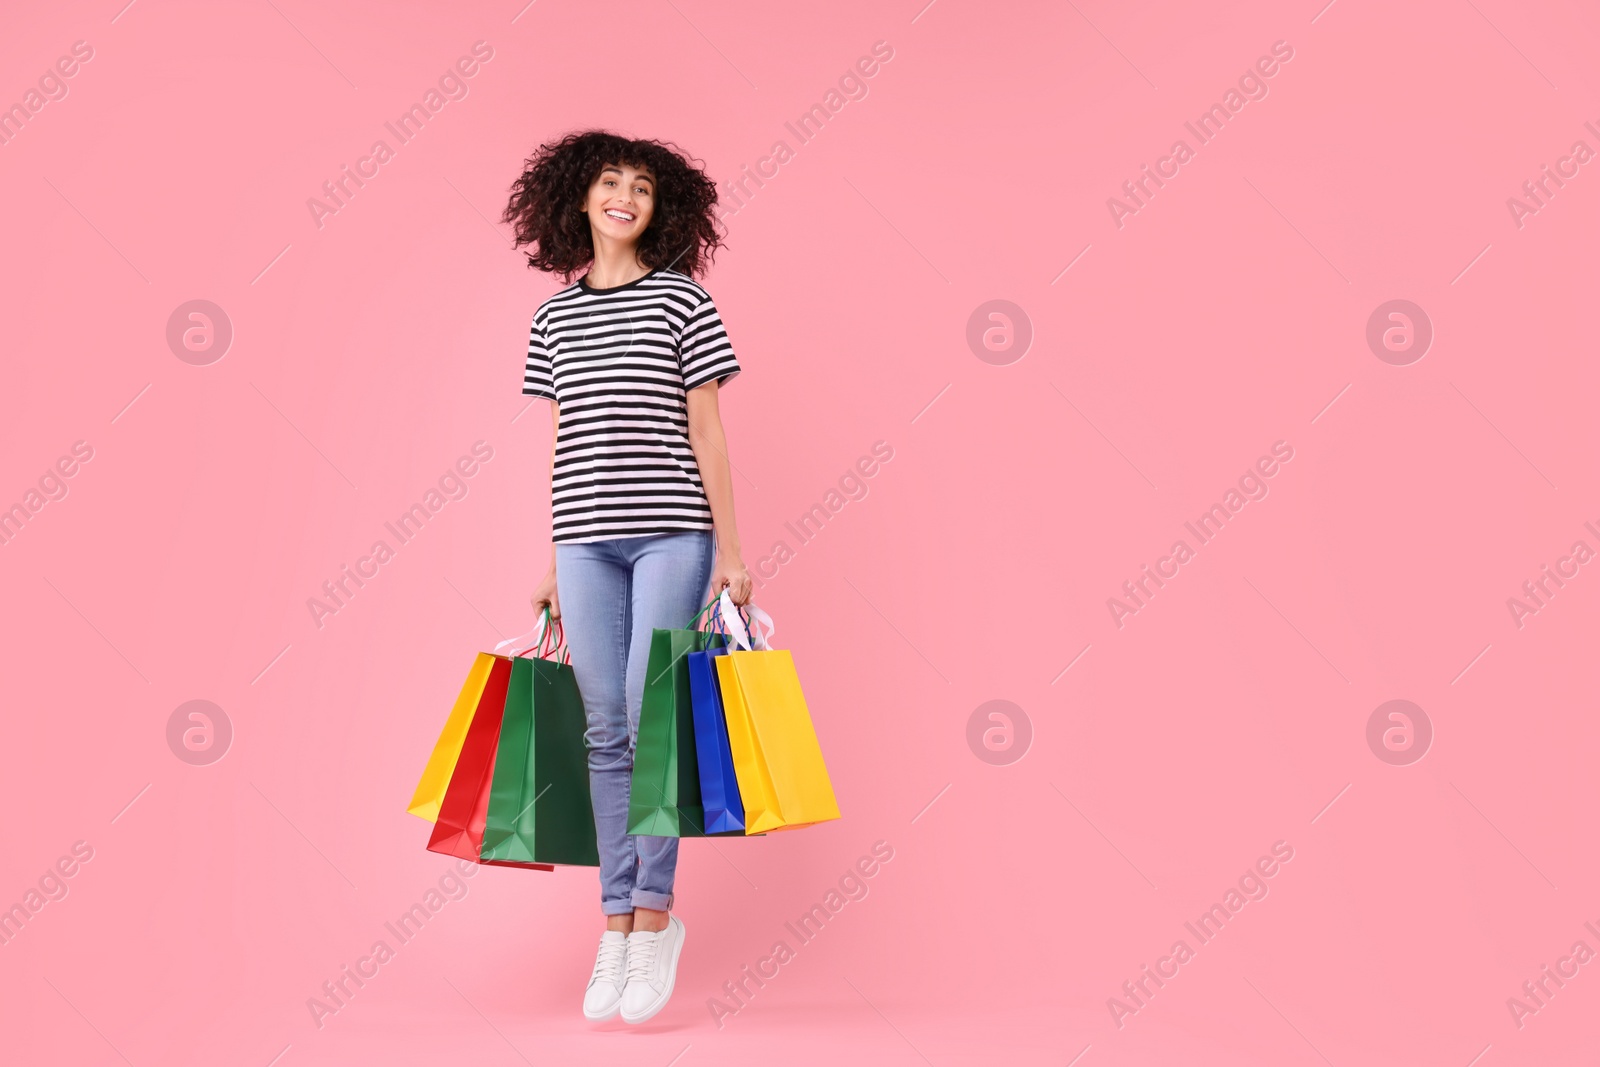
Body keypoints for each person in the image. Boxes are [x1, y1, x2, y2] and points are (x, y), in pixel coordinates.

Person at [502, 129, 753, 1025]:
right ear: (578, 199)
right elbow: (571, 442)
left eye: (642, 186)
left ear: (660, 207)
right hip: (586, 541)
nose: (626, 196)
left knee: (653, 727)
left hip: (673, 535)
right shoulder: (553, 319)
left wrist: (730, 550)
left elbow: (709, 433)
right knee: (603, 729)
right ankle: (613, 921)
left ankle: (655, 922)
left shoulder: (684, 300)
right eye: (610, 182)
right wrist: (553, 560)